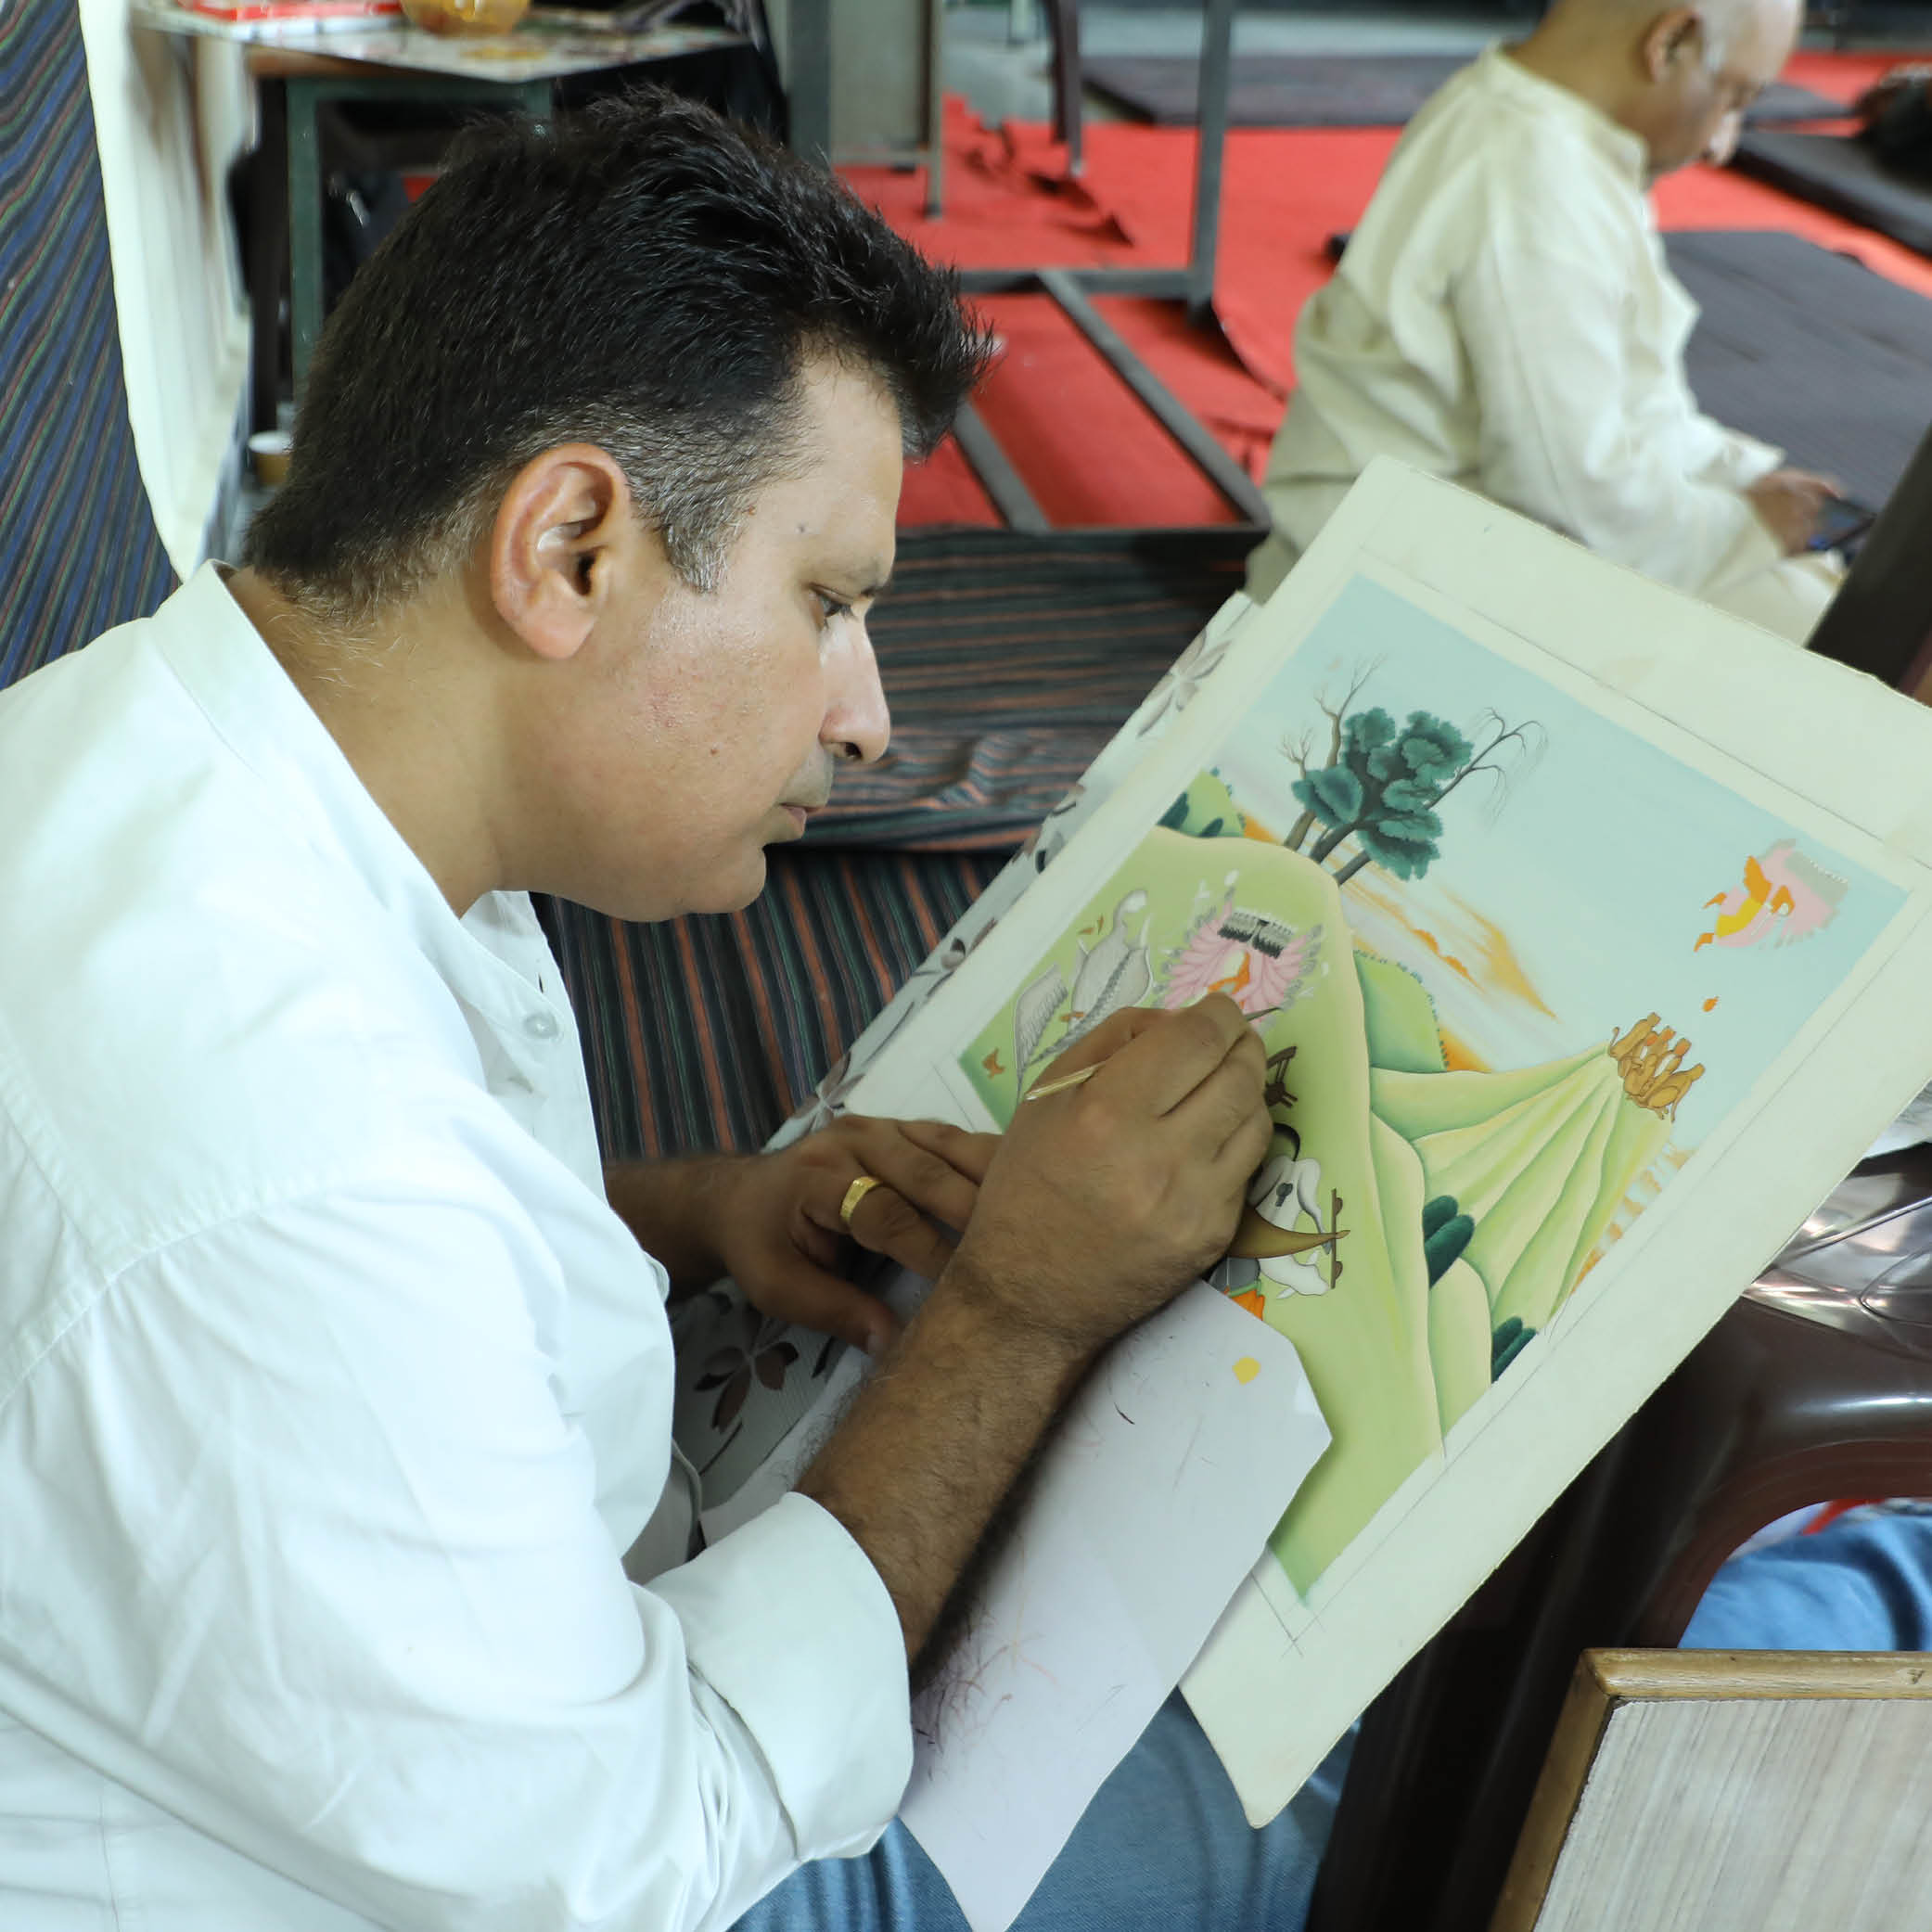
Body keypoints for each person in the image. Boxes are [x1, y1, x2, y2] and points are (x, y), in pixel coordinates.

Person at [0, 89, 1334, 1932]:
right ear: (569, 549)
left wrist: (690, 1210)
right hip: (529, 1865)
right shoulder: (282, 1148)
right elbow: (649, 1862)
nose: (866, 715)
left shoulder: (205, 754)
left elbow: (397, 1236)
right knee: (1307, 1800)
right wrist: (1012, 1318)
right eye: (827, 600)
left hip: (400, 1743)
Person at [1244, 0, 1845, 646]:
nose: (1721, 145)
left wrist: (1738, 474)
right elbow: (1570, 497)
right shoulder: (1532, 178)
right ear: (1669, 43)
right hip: (1398, 605)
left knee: (1839, 602)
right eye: (1733, 98)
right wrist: (1743, 529)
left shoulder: (1542, 128)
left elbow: (1635, 403)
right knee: (1858, 649)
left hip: (1448, 553)